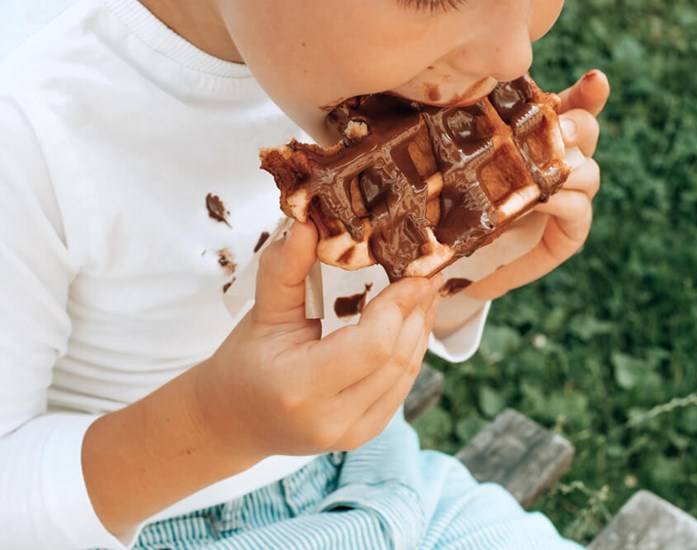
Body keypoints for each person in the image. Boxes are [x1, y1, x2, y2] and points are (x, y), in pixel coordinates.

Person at [0, 0, 609, 548]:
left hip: (381, 473)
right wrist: (217, 424)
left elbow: (344, 305)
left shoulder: (345, 61)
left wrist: (466, 273)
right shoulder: (26, 119)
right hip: (137, 520)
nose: (513, 53)